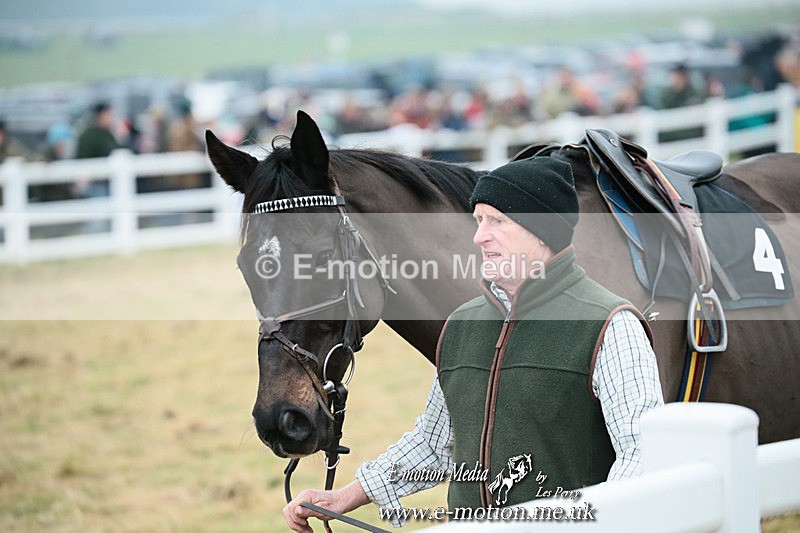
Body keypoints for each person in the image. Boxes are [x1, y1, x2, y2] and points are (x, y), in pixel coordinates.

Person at [283, 157, 664, 530]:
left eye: (497, 221)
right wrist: (345, 497)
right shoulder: (462, 325)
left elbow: (641, 453)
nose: (479, 236)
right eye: (479, 220)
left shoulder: (611, 325)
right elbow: (435, 444)